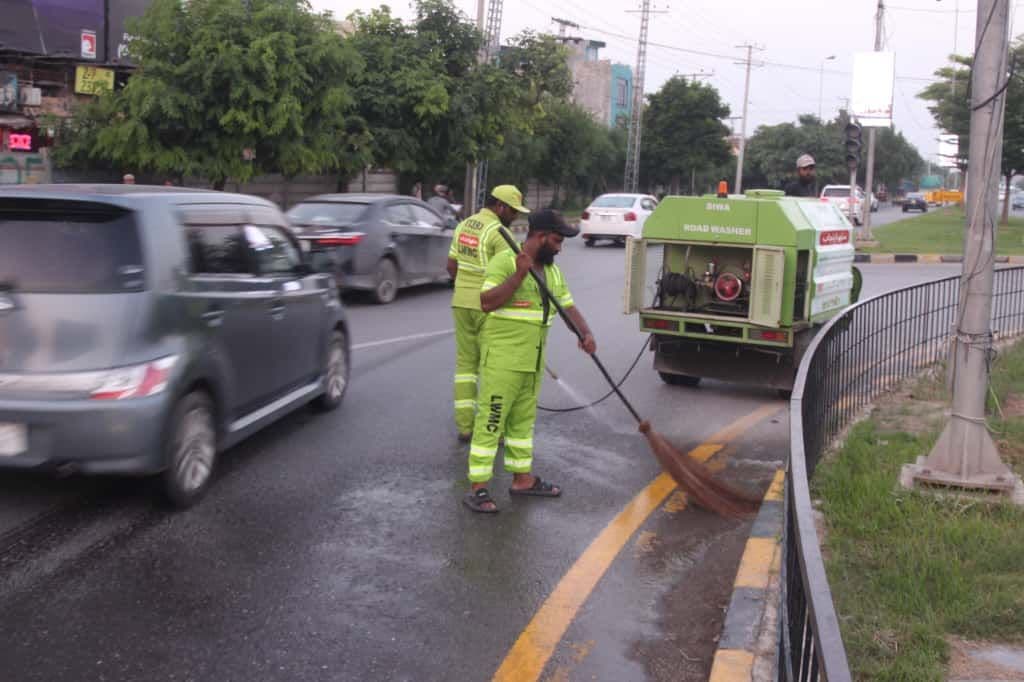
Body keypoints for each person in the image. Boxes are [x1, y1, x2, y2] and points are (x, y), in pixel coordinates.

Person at [463, 209, 596, 514]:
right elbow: (486, 302)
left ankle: (522, 479)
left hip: (532, 362)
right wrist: (519, 274)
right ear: (539, 236)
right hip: (502, 362)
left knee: (522, 426)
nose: (561, 247)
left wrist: (584, 333)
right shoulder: (505, 262)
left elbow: (567, 306)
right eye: (557, 240)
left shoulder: (553, 272)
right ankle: (478, 487)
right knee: (491, 423)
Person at [446, 185, 528, 442]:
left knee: (466, 367)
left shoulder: (464, 225)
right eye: (513, 212)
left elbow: (451, 266)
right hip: (487, 307)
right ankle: (493, 430)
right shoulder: (499, 233)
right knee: (493, 368)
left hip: (461, 304)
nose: (515, 217)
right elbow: (511, 273)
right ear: (501, 207)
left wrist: (467, 288)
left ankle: (465, 427)